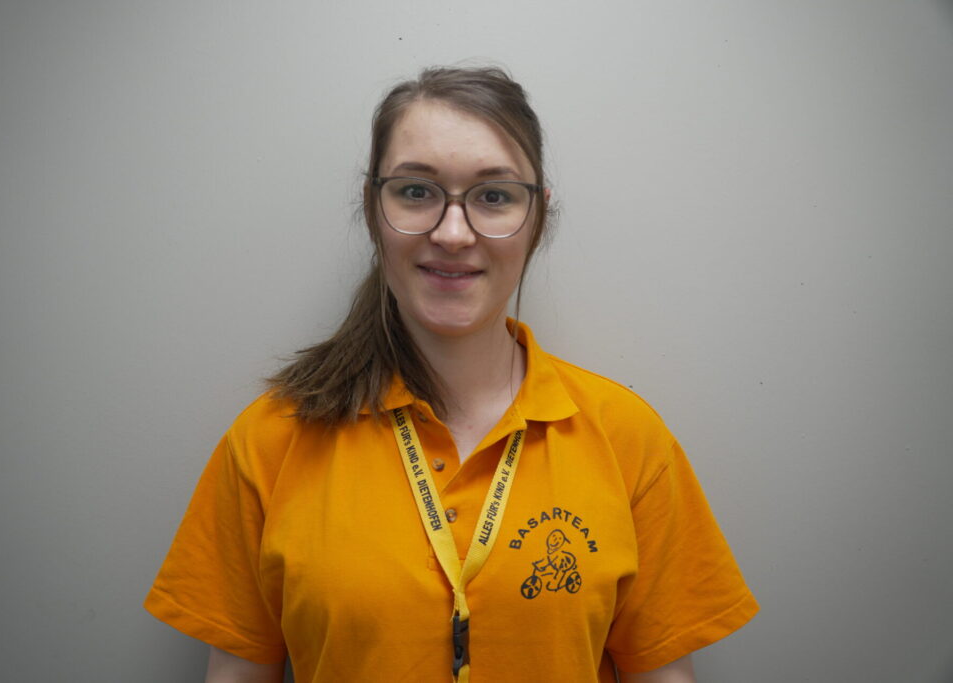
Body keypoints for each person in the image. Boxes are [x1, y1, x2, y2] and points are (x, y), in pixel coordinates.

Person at [145, 66, 758, 683]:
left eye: (494, 196)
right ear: (373, 208)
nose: (454, 233)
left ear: (537, 218)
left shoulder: (628, 439)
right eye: (416, 191)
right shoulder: (271, 440)